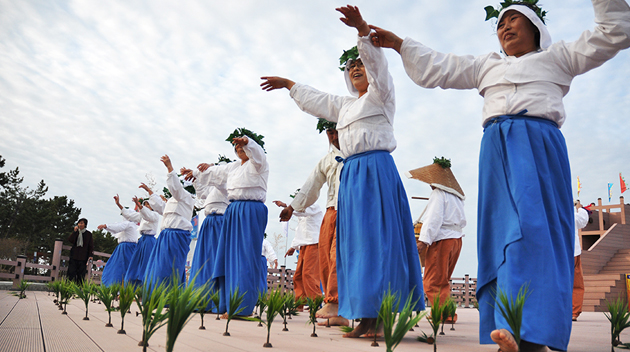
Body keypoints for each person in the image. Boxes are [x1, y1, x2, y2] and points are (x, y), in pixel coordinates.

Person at [368, 1, 630, 350]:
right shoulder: (487, 66)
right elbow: (440, 67)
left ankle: (533, 333)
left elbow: (615, 31)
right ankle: (512, 326)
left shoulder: (560, 57)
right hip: (495, 151)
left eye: (514, 19)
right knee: (502, 238)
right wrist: (399, 43)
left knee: (534, 235)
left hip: (538, 146)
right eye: (500, 22)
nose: (505, 26)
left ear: (536, 26)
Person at [261, 5, 424, 337]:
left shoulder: (381, 95)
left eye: (360, 65)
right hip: (351, 177)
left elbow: (379, 68)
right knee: (354, 246)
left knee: (377, 242)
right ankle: (362, 315)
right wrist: (290, 84)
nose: (356, 70)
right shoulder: (346, 106)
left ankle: (378, 316)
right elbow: (318, 100)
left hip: (376, 172)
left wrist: (363, 32)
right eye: (350, 68)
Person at [278, 119, 346, 326]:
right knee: (326, 260)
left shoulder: (357, 155)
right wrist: (292, 207)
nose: (333, 137)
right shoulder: (326, 160)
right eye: (330, 133)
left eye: (337, 132)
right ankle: (338, 314)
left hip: (350, 209)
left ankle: (334, 302)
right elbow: (312, 185)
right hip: (331, 211)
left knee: (337, 257)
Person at [199, 128, 269, 316]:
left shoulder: (259, 163)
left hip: (250, 210)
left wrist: (247, 141)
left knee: (245, 257)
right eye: (236, 146)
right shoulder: (234, 167)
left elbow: (258, 153)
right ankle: (227, 304)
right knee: (228, 258)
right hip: (233, 210)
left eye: (242, 145)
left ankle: (242, 306)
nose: (239, 148)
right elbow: (217, 172)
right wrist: (197, 173)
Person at [408, 157, 466, 323]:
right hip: (456, 239)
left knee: (433, 281)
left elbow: (433, 219)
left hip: (442, 240)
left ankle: (444, 314)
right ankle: (444, 313)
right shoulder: (457, 197)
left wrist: (423, 241)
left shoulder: (438, 194)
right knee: (442, 280)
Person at [181, 155, 230, 296]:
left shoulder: (226, 184)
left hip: (221, 221)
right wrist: (196, 179)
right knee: (205, 257)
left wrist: (205, 170)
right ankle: (201, 294)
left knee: (216, 256)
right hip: (209, 222)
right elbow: (202, 194)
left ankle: (215, 295)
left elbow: (218, 179)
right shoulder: (213, 189)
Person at [143, 155, 195, 286]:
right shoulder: (173, 200)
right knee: (159, 267)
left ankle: (171, 298)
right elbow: (160, 207)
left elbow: (176, 189)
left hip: (177, 235)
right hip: (165, 235)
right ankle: (157, 296)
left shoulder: (187, 197)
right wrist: (149, 191)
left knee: (170, 268)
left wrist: (170, 168)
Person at [274, 194, 324, 307]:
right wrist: (293, 247)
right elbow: (300, 232)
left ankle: (316, 304)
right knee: (298, 275)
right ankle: (299, 303)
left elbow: (302, 211)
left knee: (309, 274)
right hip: (303, 246)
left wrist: (286, 206)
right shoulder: (302, 216)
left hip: (314, 244)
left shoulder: (314, 206)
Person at [97, 197, 139, 287]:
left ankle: (119, 287)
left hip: (127, 248)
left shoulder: (129, 224)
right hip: (126, 248)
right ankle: (121, 287)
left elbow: (118, 227)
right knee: (122, 268)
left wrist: (106, 226)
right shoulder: (131, 224)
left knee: (121, 268)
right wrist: (119, 204)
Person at [123, 192, 160, 286]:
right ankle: (131, 286)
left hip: (149, 240)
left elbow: (148, 215)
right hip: (142, 240)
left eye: (148, 204)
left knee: (146, 263)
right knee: (135, 262)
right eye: (145, 204)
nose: (146, 206)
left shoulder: (155, 215)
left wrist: (140, 206)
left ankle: (146, 286)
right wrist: (119, 205)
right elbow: (129, 216)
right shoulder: (142, 216)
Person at [572, 200, 590, 321]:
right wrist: (582, 209)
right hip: (573, 252)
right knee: (576, 284)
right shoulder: (570, 214)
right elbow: (582, 221)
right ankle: (574, 312)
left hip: (555, 253)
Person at [67, 218, 93, 284]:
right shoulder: (76, 232)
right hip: (74, 256)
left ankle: (79, 289)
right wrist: (74, 232)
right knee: (71, 272)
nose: (80, 224)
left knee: (81, 274)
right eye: (79, 223)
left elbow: (91, 245)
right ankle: (69, 287)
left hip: (83, 257)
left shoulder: (88, 234)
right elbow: (70, 240)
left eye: (82, 223)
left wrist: (90, 255)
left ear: (85, 225)